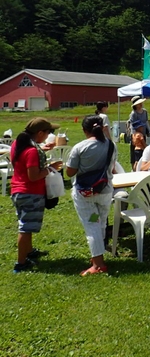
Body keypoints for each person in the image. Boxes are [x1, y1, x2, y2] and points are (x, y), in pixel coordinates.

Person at [66, 115, 117, 276]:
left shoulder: (80, 147)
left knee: (92, 225)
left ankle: (98, 264)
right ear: (102, 128)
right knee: (99, 221)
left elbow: (69, 172)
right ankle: (99, 253)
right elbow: (112, 166)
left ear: (84, 130)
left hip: (85, 193)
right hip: (105, 191)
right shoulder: (111, 146)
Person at [9, 118, 63, 273]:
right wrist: (50, 168)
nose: (49, 135)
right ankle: (21, 263)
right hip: (30, 193)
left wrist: (43, 149)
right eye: (48, 132)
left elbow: (24, 159)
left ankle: (29, 251)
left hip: (18, 190)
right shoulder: (32, 151)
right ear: (40, 133)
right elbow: (33, 176)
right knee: (25, 228)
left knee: (27, 223)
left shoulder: (17, 144)